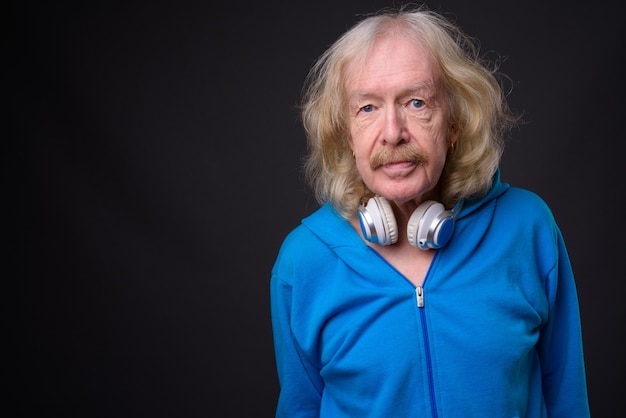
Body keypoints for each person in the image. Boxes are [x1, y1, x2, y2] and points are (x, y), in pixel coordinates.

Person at [269, 5, 590, 417]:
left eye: (417, 102)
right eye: (367, 108)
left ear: (454, 122)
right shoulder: (303, 262)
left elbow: (568, 400)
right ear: (345, 133)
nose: (393, 132)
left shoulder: (528, 228)